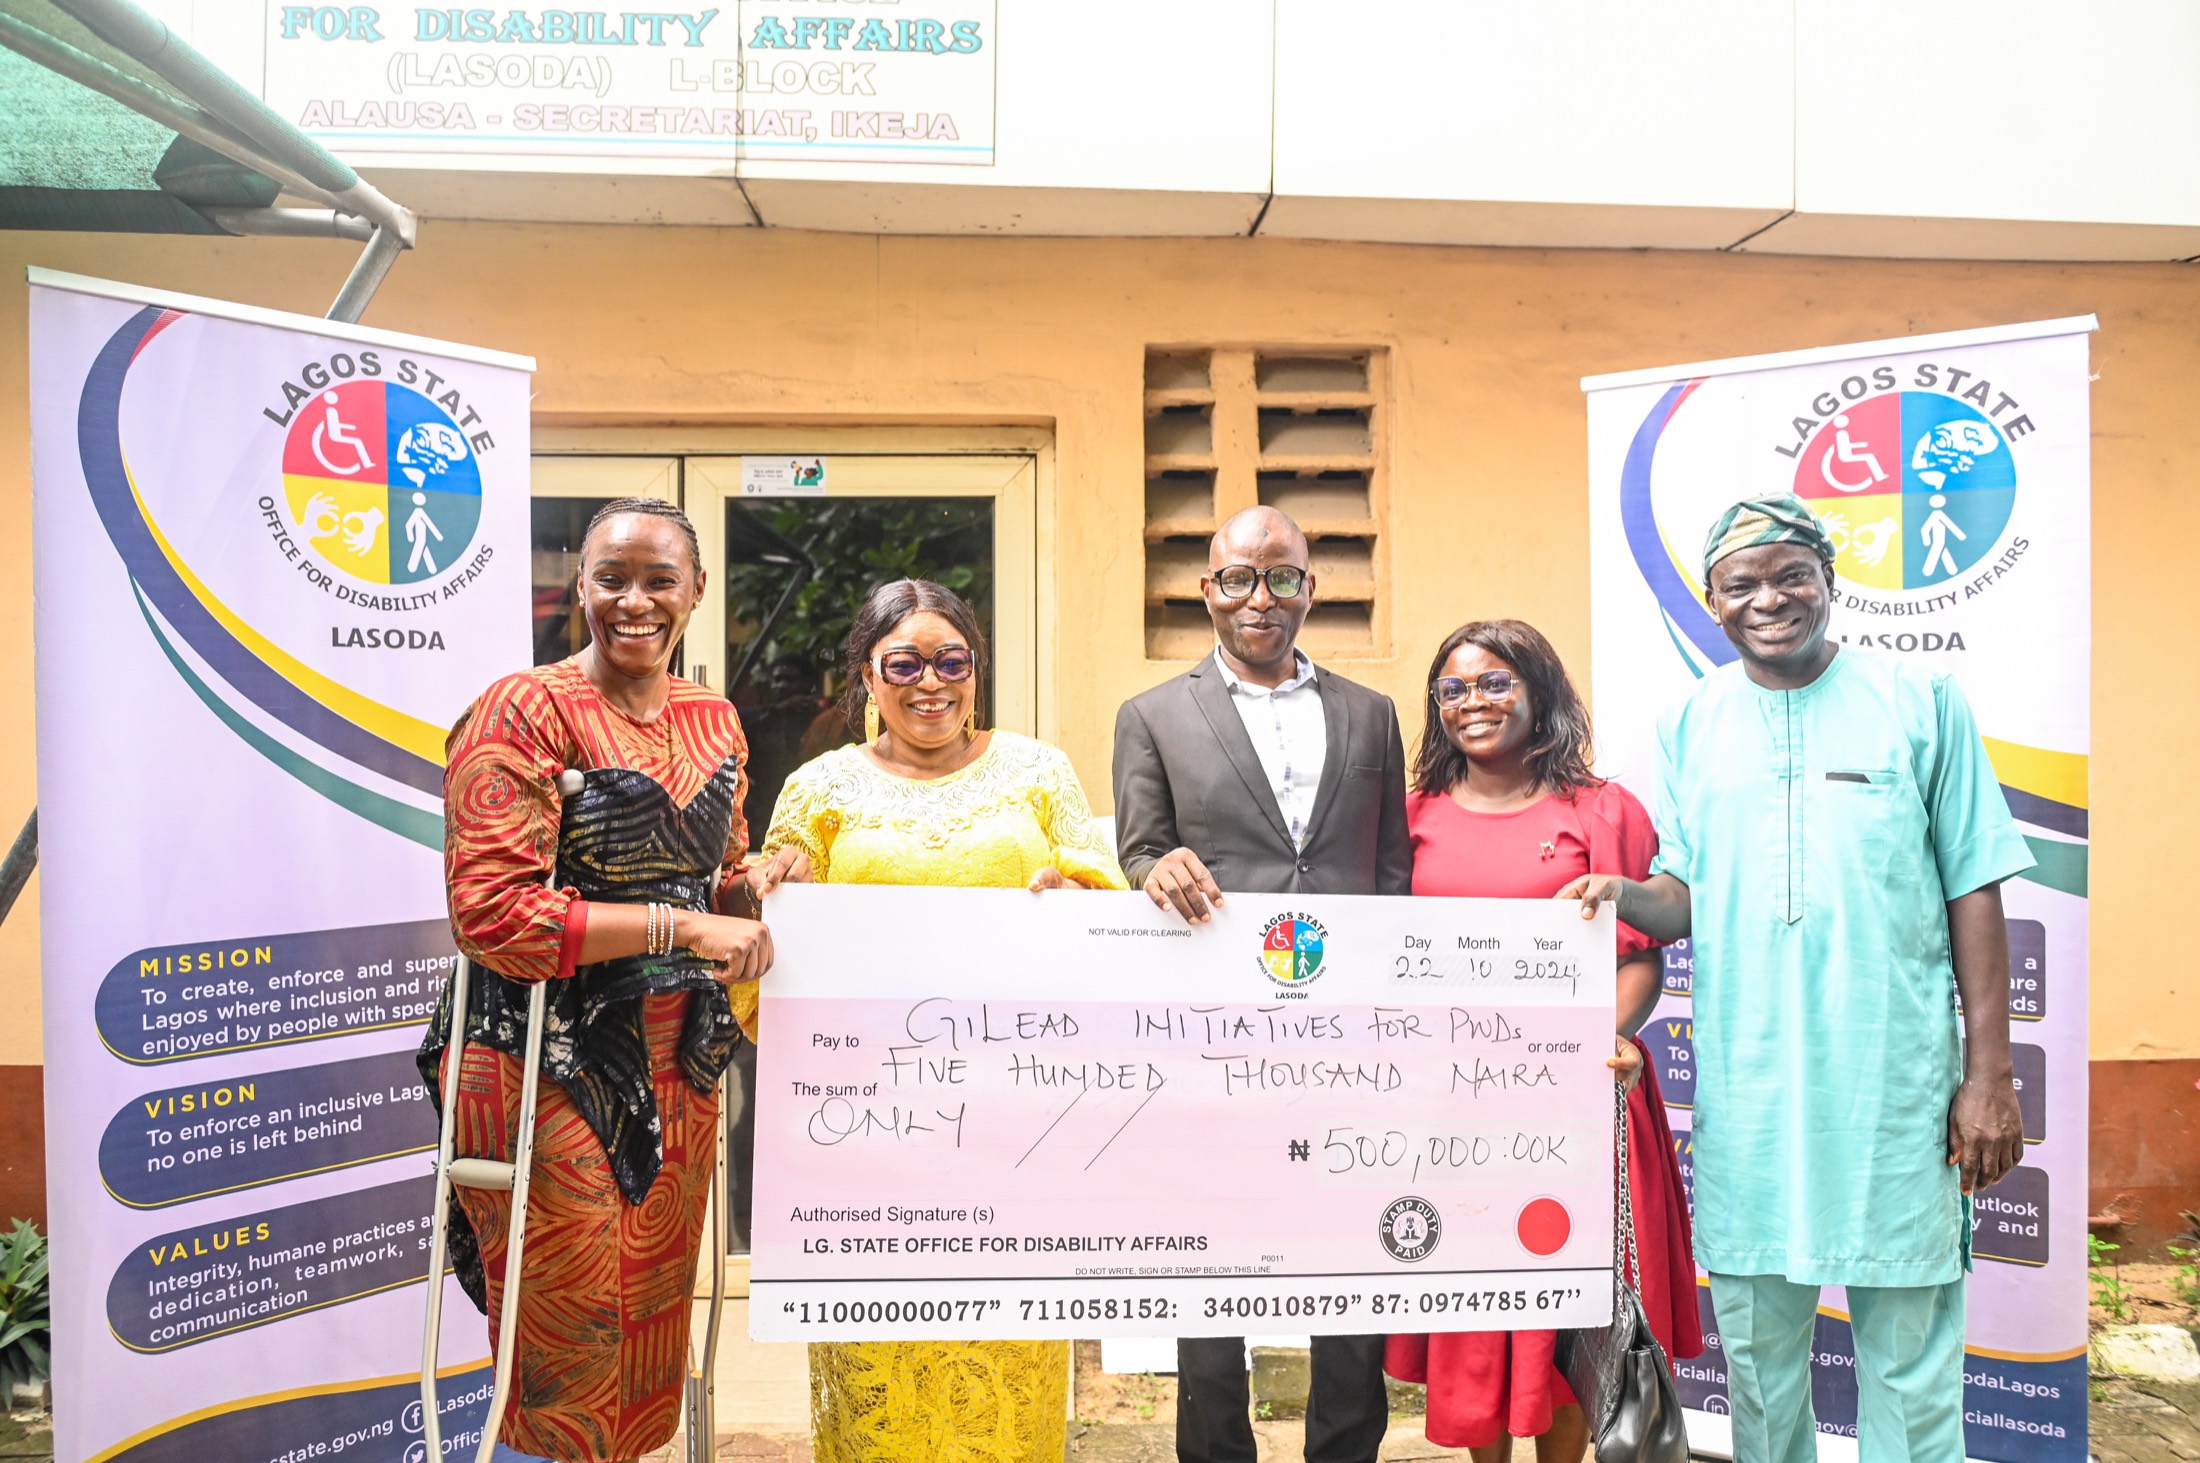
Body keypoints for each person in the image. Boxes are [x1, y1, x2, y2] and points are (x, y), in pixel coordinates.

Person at [1566, 493, 2033, 1463]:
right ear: (1712, 601)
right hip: (1754, 1098)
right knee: (1759, 1365)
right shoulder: (1690, 720)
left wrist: (1989, 1077)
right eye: (1741, 583)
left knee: (1910, 1365)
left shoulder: (1920, 697)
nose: (1768, 598)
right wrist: (1622, 893)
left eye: (1791, 574)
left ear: (1828, 578)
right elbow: (1686, 894)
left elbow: (1975, 883)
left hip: (1894, 1094)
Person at [419, 498, 778, 1463]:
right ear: (580, 585)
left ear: (697, 591)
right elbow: (493, 913)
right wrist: (681, 925)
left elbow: (717, 873)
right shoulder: (524, 708)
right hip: (543, 1051)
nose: (635, 601)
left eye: (660, 580)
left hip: (676, 1053)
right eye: (611, 578)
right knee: (571, 1322)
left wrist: (761, 887)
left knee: (652, 1314)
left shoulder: (713, 717)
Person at [744, 578, 1128, 1463]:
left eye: (952, 661)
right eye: (905, 664)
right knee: (877, 1376)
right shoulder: (817, 788)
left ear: (976, 671)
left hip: (1015, 1129)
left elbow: (1107, 909)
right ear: (866, 676)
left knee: (1007, 1369)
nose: (931, 682)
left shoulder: (1038, 772)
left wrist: (1074, 897)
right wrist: (778, 903)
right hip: (869, 1141)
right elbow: (773, 959)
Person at [1112, 505, 1412, 1463]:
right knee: (1209, 1268)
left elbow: (1392, 873)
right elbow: (1139, 850)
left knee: (1351, 1265)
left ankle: (1345, 1451)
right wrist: (1154, 866)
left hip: (1348, 1037)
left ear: (1309, 589)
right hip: (1211, 1037)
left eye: (1282, 577)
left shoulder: (1372, 713)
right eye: (1239, 577)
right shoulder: (1152, 716)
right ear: (1208, 589)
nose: (1260, 597)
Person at [1381, 619, 1701, 1461]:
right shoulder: (1410, 818)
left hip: (1580, 1096)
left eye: (1496, 682)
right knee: (1475, 1302)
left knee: (1568, 1307)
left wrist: (1606, 1037)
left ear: (1539, 692)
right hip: (1452, 1109)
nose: (1473, 702)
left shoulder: (1602, 810)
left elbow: (1641, 955)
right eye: (1454, 688)